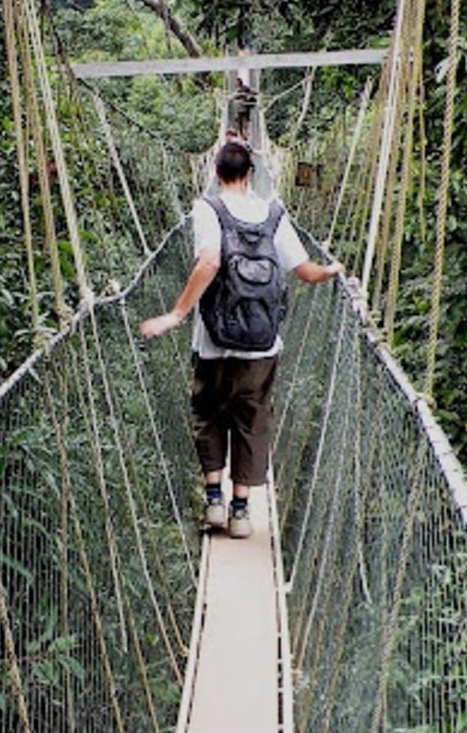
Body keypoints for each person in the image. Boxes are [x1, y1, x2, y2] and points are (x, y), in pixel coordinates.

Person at [140, 139, 342, 538]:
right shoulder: (274, 214)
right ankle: (241, 513)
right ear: (251, 174)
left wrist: (176, 313)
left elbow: (210, 260)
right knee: (252, 421)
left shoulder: (207, 208)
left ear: (215, 174)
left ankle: (213, 503)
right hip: (262, 346)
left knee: (208, 414)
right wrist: (333, 270)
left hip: (213, 342)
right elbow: (305, 272)